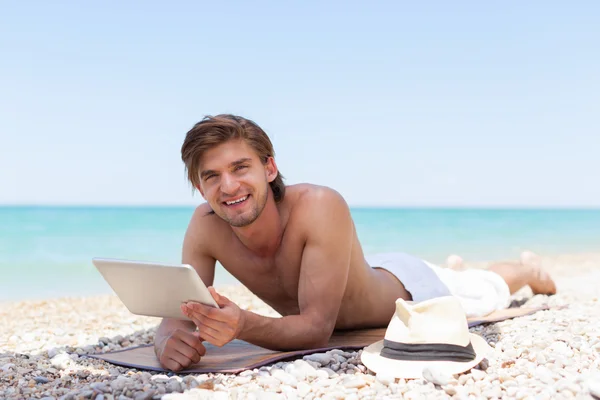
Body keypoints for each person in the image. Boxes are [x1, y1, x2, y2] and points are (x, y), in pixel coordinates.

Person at [153, 114, 557, 372]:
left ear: (270, 168)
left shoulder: (318, 205)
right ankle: (461, 267)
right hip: (349, 268)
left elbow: (315, 330)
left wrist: (242, 323)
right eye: (211, 176)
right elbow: (176, 312)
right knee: (463, 275)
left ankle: (527, 269)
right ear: (198, 186)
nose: (229, 186)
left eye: (241, 167)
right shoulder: (205, 226)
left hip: (411, 289)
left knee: (490, 288)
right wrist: (169, 341)